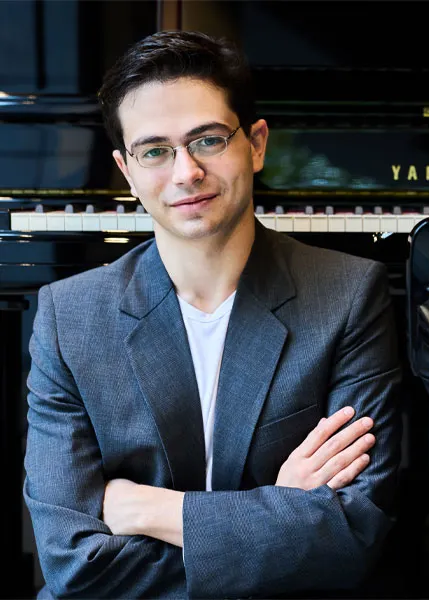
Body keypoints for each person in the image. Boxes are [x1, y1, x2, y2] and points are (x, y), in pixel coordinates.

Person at [23, 30, 402, 599]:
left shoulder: (349, 295)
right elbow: (73, 567)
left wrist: (151, 509)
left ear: (255, 144)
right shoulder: (67, 318)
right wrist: (275, 518)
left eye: (206, 140)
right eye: (155, 151)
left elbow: (353, 535)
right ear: (126, 171)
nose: (185, 173)